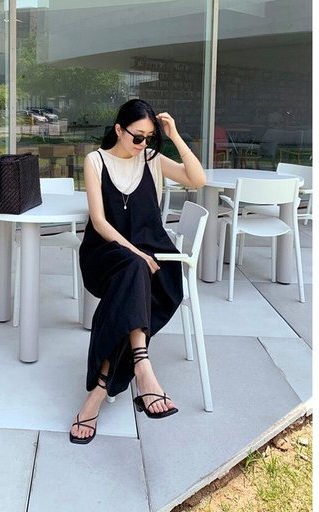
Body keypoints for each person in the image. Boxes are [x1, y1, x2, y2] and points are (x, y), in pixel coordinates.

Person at [70, 99, 206, 444]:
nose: (143, 144)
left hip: (154, 260)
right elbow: (99, 222)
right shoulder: (96, 161)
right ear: (119, 129)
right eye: (137, 136)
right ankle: (143, 367)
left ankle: (99, 392)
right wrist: (136, 253)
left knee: (130, 289)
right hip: (105, 255)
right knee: (133, 269)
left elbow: (198, 179)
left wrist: (174, 137)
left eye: (149, 137)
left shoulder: (153, 160)